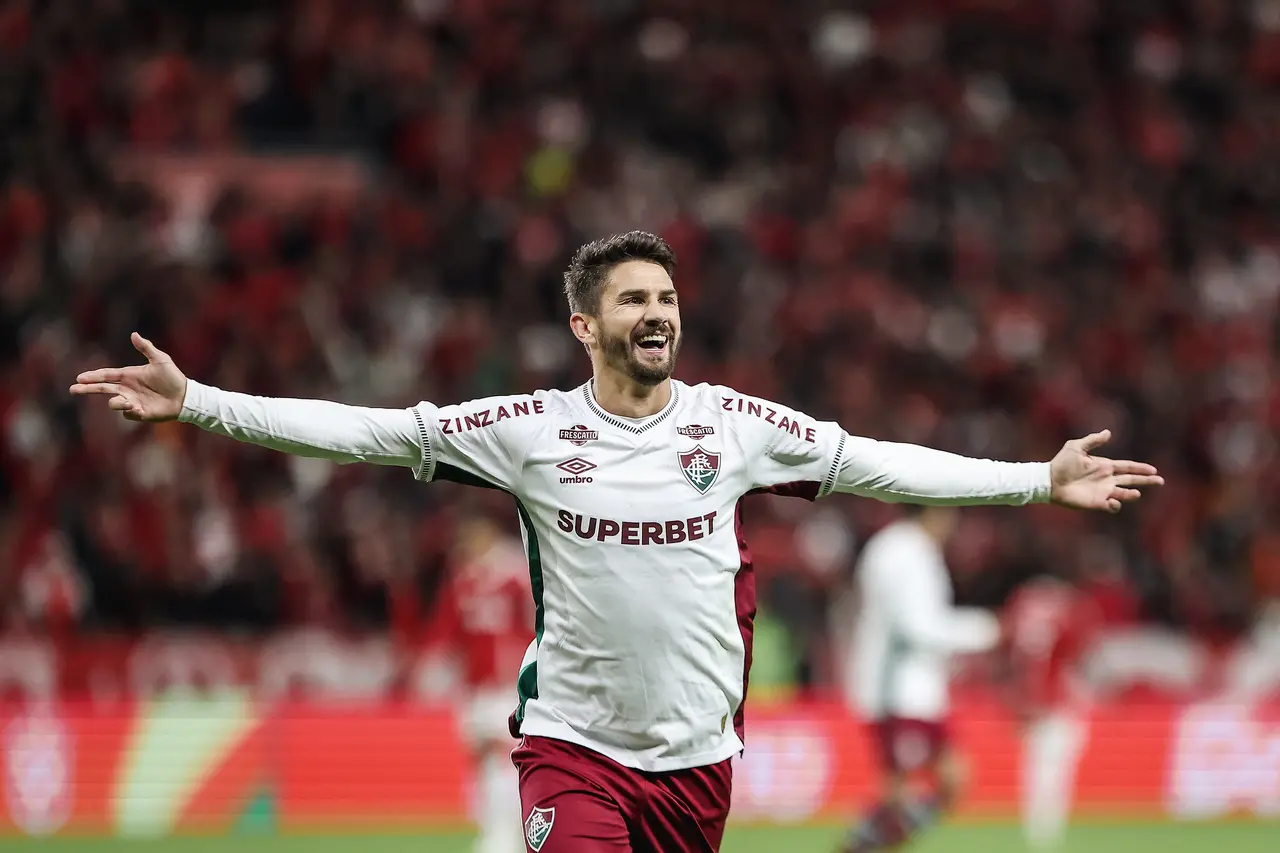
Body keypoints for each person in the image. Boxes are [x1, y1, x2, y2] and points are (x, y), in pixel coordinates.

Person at [70, 231, 1162, 853]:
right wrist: (201, 402)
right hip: (574, 749)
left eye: (668, 297)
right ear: (585, 326)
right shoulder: (528, 433)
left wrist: (1036, 480)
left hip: (695, 762)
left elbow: (879, 459)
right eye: (633, 298)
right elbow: (368, 433)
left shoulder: (732, 427)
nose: (658, 311)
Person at [839, 505, 1001, 853]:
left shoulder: (902, 548)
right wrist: (987, 630)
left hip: (914, 689)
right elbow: (918, 626)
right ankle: (860, 847)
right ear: (935, 512)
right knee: (903, 793)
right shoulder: (906, 553)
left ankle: (863, 845)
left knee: (950, 781)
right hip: (897, 690)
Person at [423, 514, 534, 853]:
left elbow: (535, 622)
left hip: (507, 686)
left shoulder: (514, 575)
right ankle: (496, 829)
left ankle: (503, 836)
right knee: (485, 761)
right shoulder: (467, 579)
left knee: (501, 758)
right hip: (478, 688)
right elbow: (447, 633)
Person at [1000, 574, 1103, 850]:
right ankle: (1045, 834)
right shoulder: (1067, 615)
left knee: (1039, 770)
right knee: (1052, 770)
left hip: (1038, 702)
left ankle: (1039, 833)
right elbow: (1081, 652)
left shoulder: (1025, 615)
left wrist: (1021, 702)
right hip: (1058, 702)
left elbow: (1013, 659)